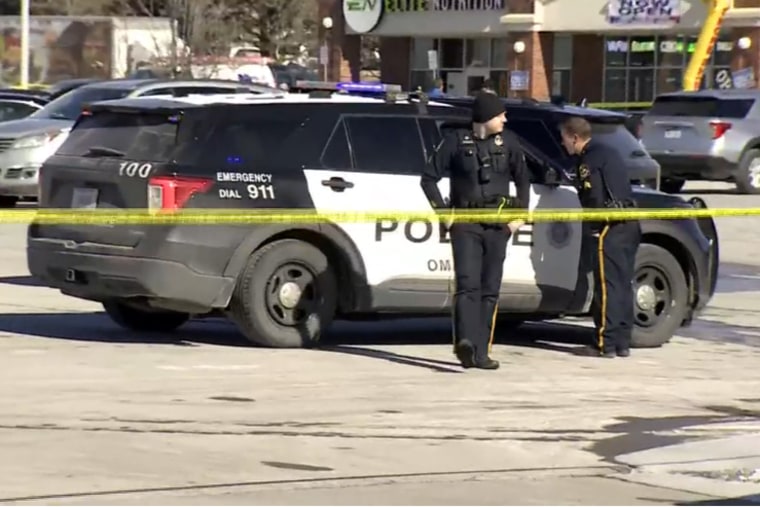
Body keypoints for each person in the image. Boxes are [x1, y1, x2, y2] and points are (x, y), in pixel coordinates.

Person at [420, 92, 531, 370]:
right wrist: (445, 216)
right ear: (485, 117)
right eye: (500, 114)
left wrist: (518, 220)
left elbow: (523, 181)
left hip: (498, 226)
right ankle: (466, 344)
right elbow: (429, 179)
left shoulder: (509, 142)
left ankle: (482, 352)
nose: (505, 118)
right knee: (468, 285)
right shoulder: (455, 142)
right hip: (466, 224)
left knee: (490, 289)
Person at [558, 116, 641, 359]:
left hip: (609, 225)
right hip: (628, 222)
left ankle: (604, 342)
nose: (563, 145)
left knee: (607, 287)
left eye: (564, 140)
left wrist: (593, 224)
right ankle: (622, 342)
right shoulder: (609, 151)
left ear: (575, 138)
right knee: (623, 284)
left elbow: (592, 195)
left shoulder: (588, 159)